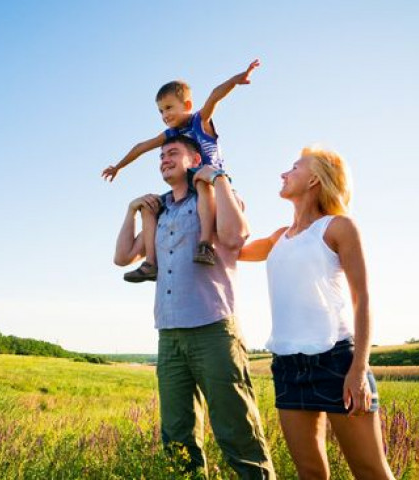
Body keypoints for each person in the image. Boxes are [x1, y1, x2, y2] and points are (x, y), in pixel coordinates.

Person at [113, 135, 275, 478]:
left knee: (237, 430)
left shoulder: (214, 197)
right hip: (169, 336)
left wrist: (216, 179)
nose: (163, 160)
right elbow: (123, 256)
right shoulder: (159, 212)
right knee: (177, 437)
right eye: (160, 157)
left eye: (172, 153)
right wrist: (131, 211)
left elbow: (235, 238)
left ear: (194, 159)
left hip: (213, 329)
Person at [239, 146, 395, 479]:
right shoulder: (278, 237)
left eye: (293, 167)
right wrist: (219, 187)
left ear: (314, 179)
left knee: (370, 471)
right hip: (287, 365)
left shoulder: (339, 228)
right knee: (310, 472)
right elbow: (230, 248)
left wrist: (358, 370)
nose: (284, 173)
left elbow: (362, 299)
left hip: (337, 362)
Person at [104, 59, 260, 282]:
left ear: (186, 105)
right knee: (150, 207)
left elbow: (215, 95)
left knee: (200, 182)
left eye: (169, 108)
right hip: (186, 187)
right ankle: (151, 263)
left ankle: (205, 243)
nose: (164, 115)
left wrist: (236, 80)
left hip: (210, 180)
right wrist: (118, 166)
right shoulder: (170, 134)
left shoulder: (199, 121)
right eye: (160, 111)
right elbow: (141, 147)